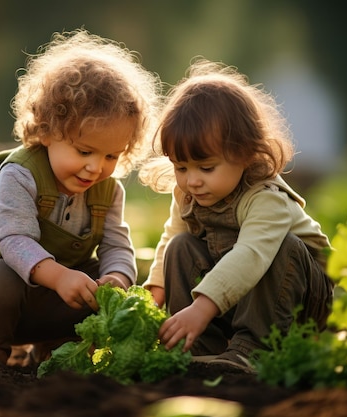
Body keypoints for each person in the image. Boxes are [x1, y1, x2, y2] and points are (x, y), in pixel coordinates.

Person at [0, 29, 161, 372]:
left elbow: (117, 246)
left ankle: (53, 348)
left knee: (100, 278)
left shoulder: (108, 191)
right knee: (2, 276)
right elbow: (15, 240)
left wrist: (116, 279)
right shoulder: (20, 175)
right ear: (47, 131)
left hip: (49, 299)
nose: (96, 167)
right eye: (84, 151)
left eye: (111, 155)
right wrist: (60, 276)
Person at [138, 59, 334, 373]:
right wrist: (154, 293)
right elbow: (170, 238)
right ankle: (200, 345)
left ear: (244, 154)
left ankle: (254, 348)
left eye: (206, 168)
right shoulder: (190, 193)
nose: (192, 180)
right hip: (240, 297)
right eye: (181, 167)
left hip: (302, 302)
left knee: (284, 247)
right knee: (180, 246)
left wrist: (202, 307)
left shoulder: (266, 198)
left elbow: (250, 256)